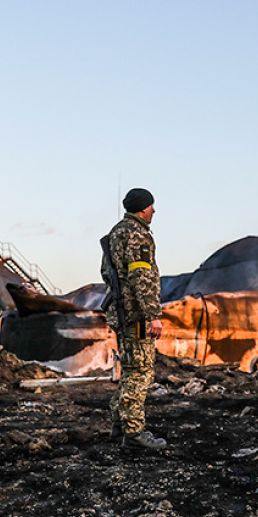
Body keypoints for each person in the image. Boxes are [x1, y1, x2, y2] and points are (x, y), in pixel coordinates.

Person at [101, 187, 167, 450]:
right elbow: (142, 277)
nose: (154, 211)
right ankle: (134, 433)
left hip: (121, 311)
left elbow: (107, 272)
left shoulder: (116, 232)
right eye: (151, 206)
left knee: (130, 369)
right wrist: (152, 315)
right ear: (142, 208)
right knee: (140, 372)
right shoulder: (138, 235)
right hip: (136, 315)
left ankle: (119, 425)